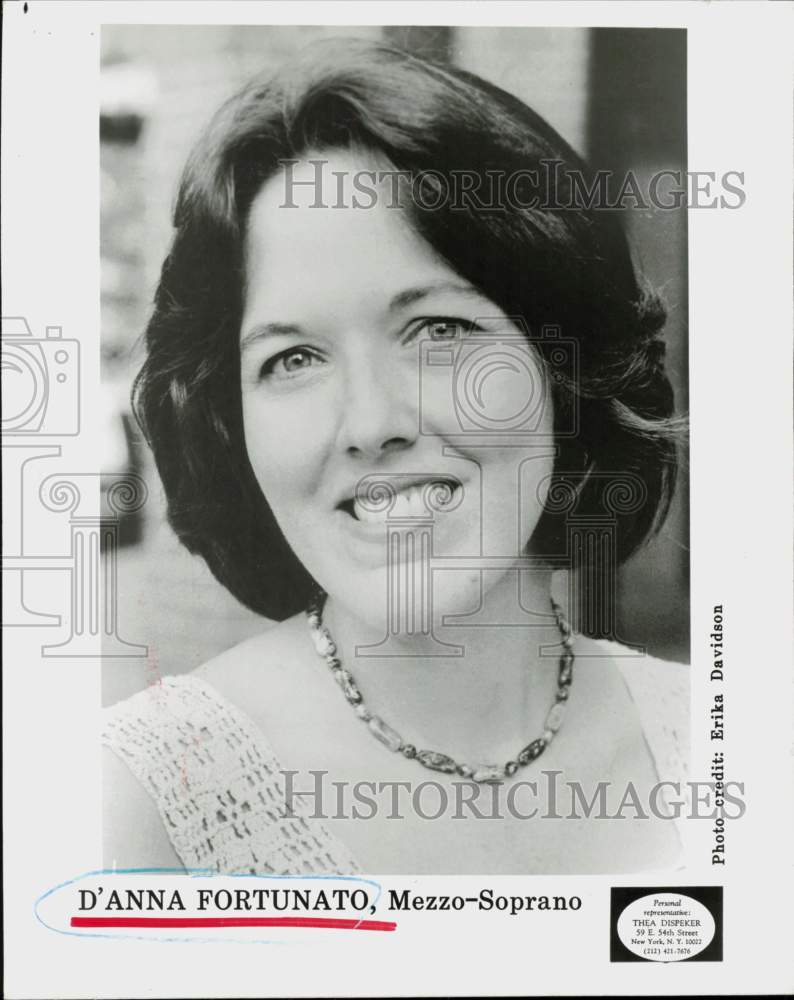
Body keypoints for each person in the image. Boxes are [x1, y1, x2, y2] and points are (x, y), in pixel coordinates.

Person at [103, 38, 689, 875]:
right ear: (234, 424)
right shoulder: (140, 802)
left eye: (439, 330)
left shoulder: (721, 746)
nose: (370, 423)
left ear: (565, 370)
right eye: (292, 358)